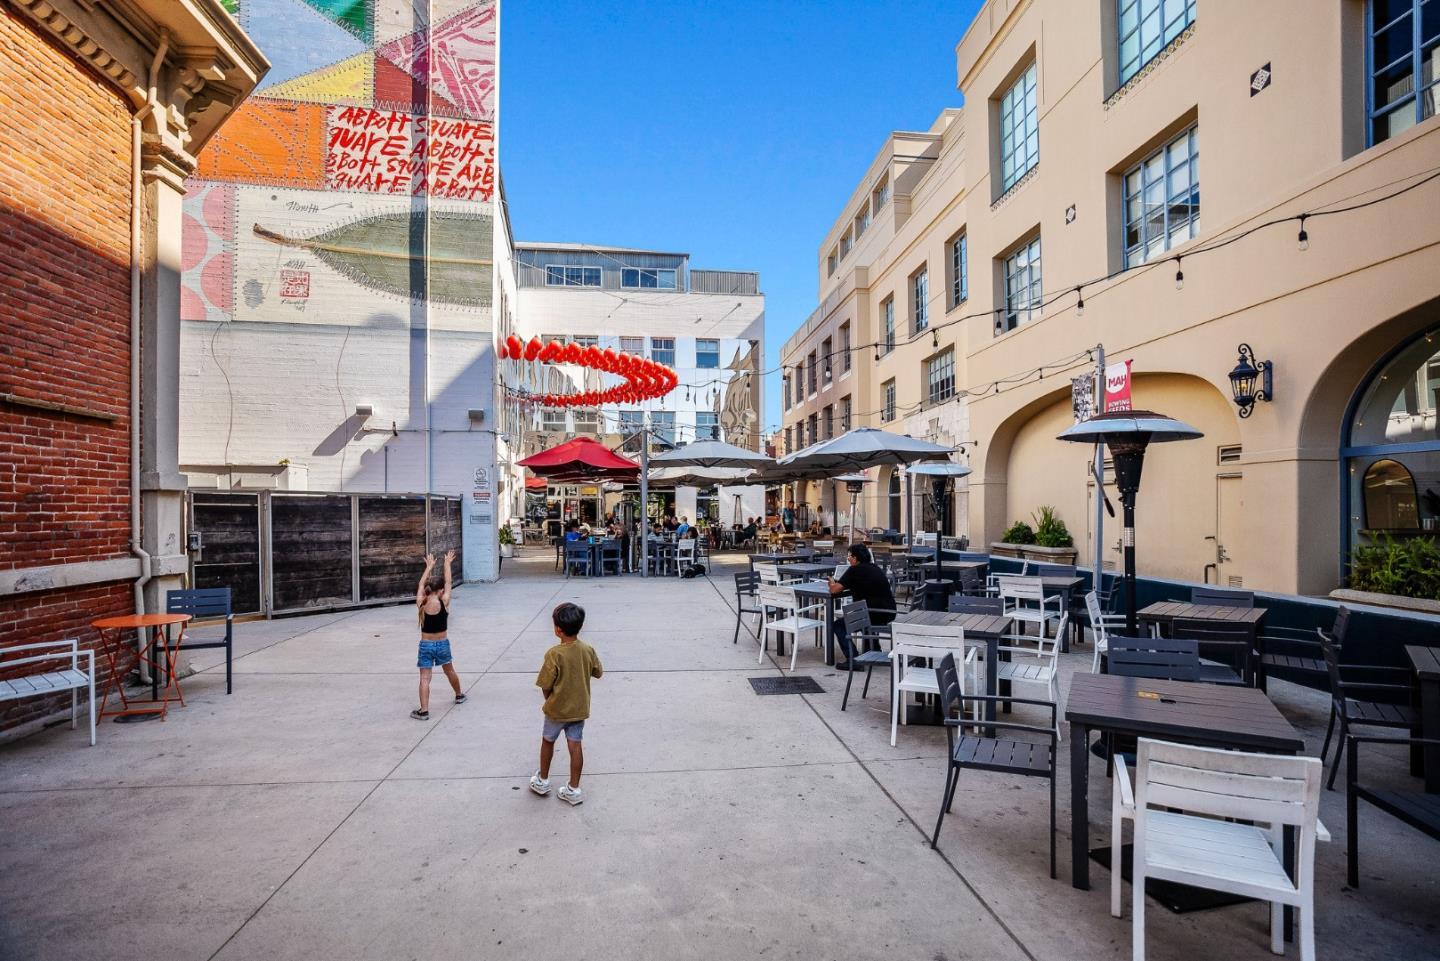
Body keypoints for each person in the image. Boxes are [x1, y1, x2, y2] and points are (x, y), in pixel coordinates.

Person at [529, 602, 604, 805]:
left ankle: (543, 780)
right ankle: (573, 789)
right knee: (575, 745)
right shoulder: (587, 649)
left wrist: (550, 699)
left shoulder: (554, 654)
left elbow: (545, 684)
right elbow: (598, 672)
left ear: (558, 630)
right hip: (579, 709)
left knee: (548, 741)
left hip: (556, 710)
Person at [826, 543, 896, 670]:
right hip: (888, 612)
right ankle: (874, 649)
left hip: (874, 612)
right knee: (863, 616)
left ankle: (853, 659)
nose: (848, 558)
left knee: (838, 625)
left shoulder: (855, 570)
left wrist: (831, 583)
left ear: (856, 558)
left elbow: (835, 590)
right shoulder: (875, 567)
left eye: (849, 556)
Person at [412, 551, 465, 720]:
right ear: (441, 590)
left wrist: (428, 567)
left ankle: (424, 711)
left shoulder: (422, 601)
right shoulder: (445, 601)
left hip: (426, 645)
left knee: (425, 677)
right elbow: (449, 581)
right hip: (442, 643)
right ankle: (459, 695)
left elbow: (420, 586)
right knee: (449, 671)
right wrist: (447, 563)